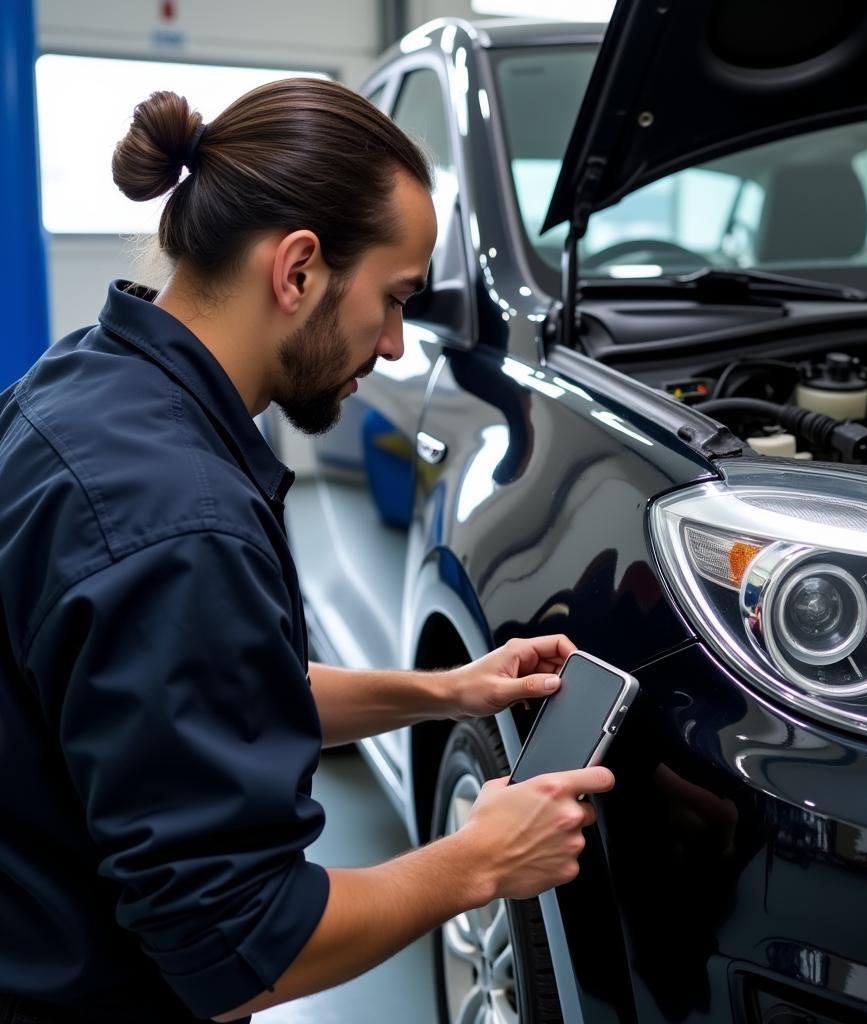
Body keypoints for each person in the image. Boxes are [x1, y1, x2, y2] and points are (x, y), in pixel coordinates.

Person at [0, 78, 614, 1023]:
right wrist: (477, 860)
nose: (398, 344)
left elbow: (217, 690)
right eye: (396, 298)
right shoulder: (178, 522)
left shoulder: (86, 380)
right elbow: (242, 948)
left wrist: (449, 691)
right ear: (296, 270)